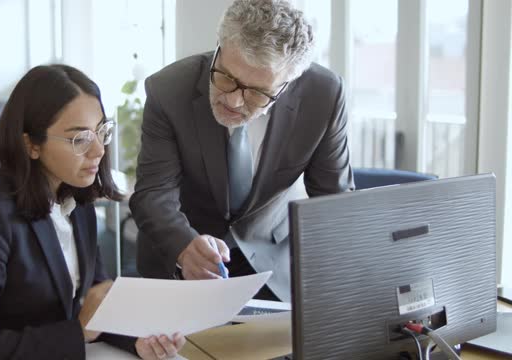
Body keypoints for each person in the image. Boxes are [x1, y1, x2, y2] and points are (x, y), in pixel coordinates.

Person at [0, 65, 185, 360]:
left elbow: (95, 306)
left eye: (101, 132)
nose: (98, 151)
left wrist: (135, 341)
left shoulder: (77, 203)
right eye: (79, 138)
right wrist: (78, 332)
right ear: (31, 145)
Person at [129, 0, 354, 302]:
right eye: (226, 78)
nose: (234, 101)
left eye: (258, 93)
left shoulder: (324, 95)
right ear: (219, 45)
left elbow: (334, 203)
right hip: (182, 257)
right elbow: (153, 193)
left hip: (272, 265)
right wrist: (184, 246)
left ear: (288, 84)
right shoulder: (169, 89)